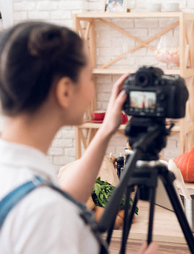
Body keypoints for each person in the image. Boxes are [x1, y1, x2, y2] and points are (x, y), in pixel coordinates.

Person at [0, 21, 158, 253]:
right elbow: (51, 209)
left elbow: (64, 200)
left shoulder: (20, 179)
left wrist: (106, 130)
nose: (92, 88)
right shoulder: (46, 213)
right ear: (65, 90)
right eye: (90, 76)